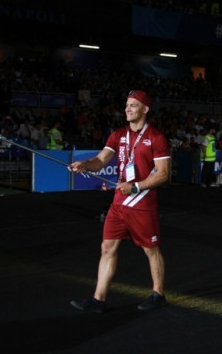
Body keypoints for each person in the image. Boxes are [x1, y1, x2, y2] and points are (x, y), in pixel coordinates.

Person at [68, 90, 171, 312]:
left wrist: (136, 186)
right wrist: (85, 165)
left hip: (142, 203)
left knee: (150, 249)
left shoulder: (156, 138)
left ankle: (158, 294)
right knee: (107, 247)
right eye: (126, 105)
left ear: (145, 109)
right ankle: (98, 299)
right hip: (119, 203)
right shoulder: (118, 135)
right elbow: (100, 160)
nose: (127, 109)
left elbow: (163, 174)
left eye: (133, 105)